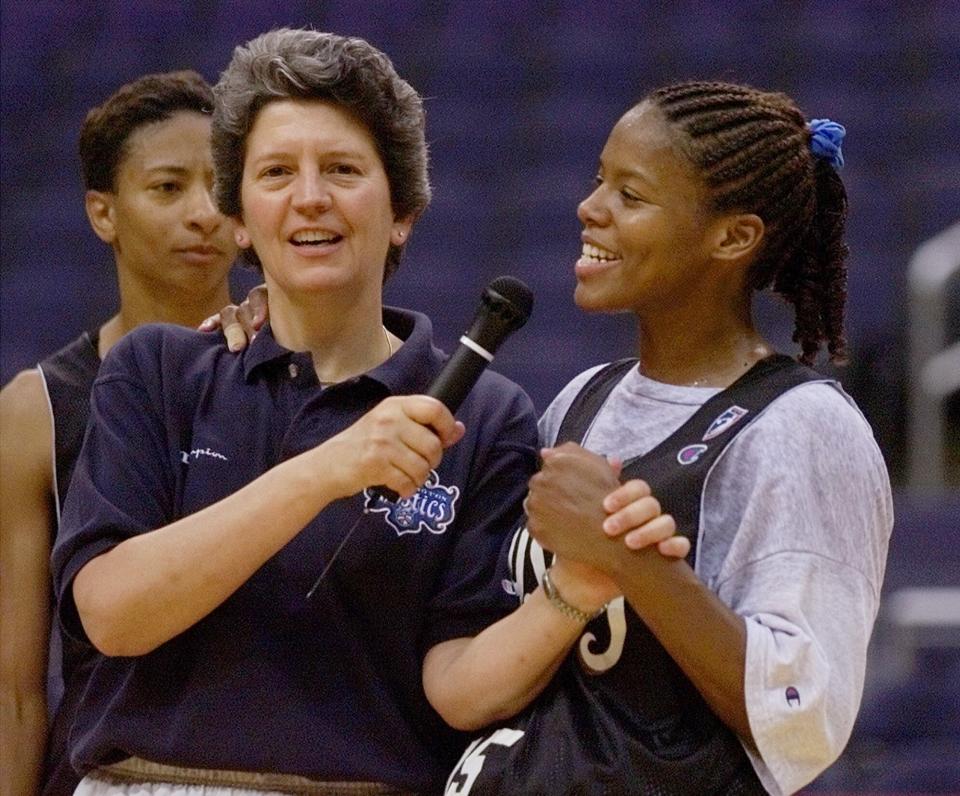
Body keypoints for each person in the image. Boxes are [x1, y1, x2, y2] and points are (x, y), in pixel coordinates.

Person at [48, 28, 552, 795]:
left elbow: (460, 683)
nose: (310, 197)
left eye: (343, 170)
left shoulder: (486, 417)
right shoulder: (155, 371)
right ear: (241, 220)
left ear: (404, 210)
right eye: (277, 172)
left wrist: (582, 588)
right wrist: (322, 471)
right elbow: (113, 615)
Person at [423, 82, 892, 795]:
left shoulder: (805, 429)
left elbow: (802, 721)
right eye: (597, 181)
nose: (590, 209)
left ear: (733, 237)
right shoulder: (582, 398)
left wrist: (629, 557)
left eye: (630, 196)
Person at [0, 70, 239, 796]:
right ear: (103, 214)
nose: (203, 213)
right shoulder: (35, 407)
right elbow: (15, 692)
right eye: (168, 188)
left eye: (221, 188)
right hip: (101, 768)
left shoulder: (292, 371)